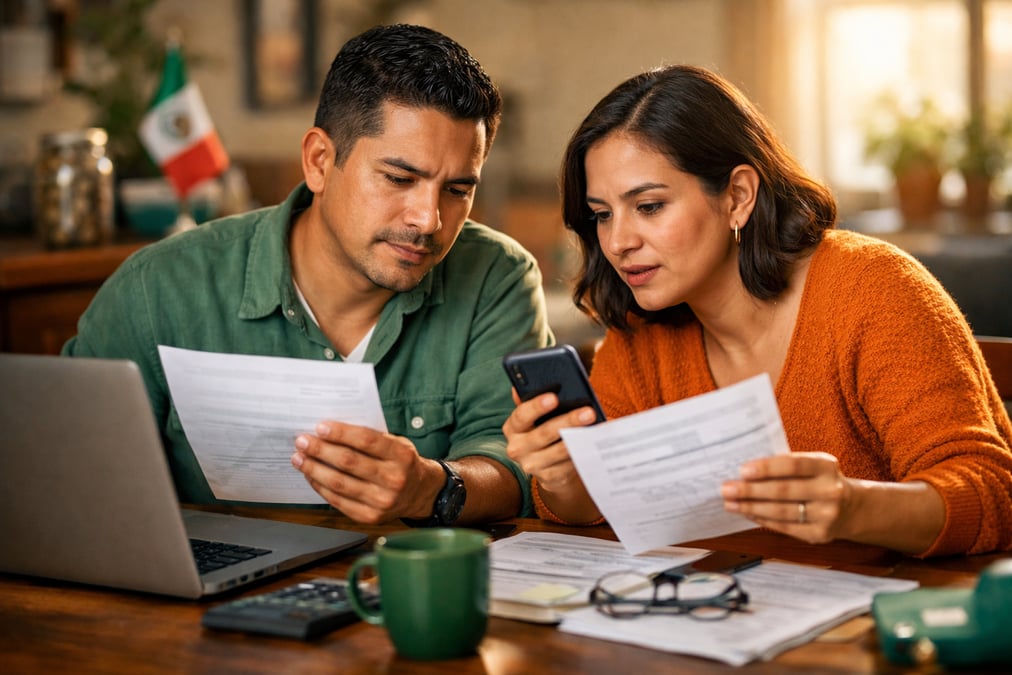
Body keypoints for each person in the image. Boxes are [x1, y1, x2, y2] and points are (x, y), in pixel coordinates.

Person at [503, 64, 1012, 557]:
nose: (617, 242)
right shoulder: (639, 334)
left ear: (738, 196)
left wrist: (852, 507)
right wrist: (565, 475)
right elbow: (592, 508)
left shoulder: (873, 289)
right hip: (714, 618)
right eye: (601, 215)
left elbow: (990, 493)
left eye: (650, 206)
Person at [64, 24, 553, 526]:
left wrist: (433, 488)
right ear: (320, 161)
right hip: (196, 595)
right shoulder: (156, 288)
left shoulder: (498, 276)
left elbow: (518, 467)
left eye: (456, 190)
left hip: (403, 588)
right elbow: (69, 471)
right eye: (400, 179)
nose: (428, 219)